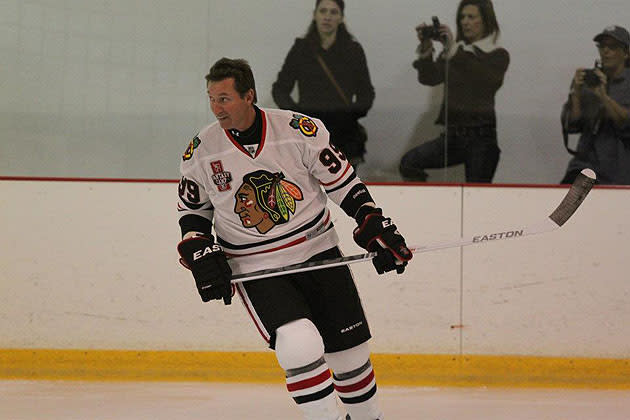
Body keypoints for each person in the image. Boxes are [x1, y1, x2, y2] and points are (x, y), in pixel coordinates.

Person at [176, 57, 412, 420]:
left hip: (318, 251)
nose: (215, 107)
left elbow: (344, 183)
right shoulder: (202, 150)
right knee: (298, 344)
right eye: (211, 98)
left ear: (248, 95)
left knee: (350, 355)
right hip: (256, 267)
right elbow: (193, 211)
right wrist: (197, 248)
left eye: (224, 98)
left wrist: (370, 222)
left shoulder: (298, 130)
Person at [399, 0, 509, 183]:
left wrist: (452, 49)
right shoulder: (456, 53)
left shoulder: (497, 55)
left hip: (482, 140)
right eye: (462, 17)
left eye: (471, 17)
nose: (465, 22)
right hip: (452, 137)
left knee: (477, 196)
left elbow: (484, 80)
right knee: (409, 163)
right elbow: (430, 78)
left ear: (486, 21)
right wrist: (426, 50)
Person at [272, 0, 375, 167]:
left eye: (333, 12)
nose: (327, 17)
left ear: (341, 18)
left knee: (343, 189)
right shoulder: (301, 49)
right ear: (315, 15)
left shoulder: (353, 50)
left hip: (344, 132)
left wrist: (351, 114)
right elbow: (280, 88)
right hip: (308, 131)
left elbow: (366, 92)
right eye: (323, 11)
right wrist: (296, 115)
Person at [560, 25, 630, 185]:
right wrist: (576, 93)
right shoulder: (590, 80)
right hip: (583, 168)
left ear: (626, 53)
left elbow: (626, 125)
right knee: (563, 206)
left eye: (612, 47)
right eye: (602, 46)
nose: (606, 51)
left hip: (617, 173)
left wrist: (603, 96)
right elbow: (572, 125)